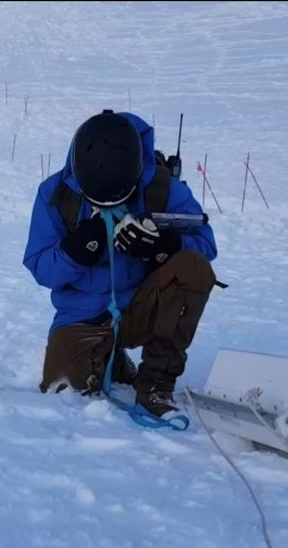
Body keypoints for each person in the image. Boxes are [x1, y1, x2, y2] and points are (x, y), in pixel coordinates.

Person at [22, 109, 218, 420]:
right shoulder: (56, 194)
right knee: (64, 389)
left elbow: (206, 245)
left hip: (141, 309)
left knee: (193, 269)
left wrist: (161, 248)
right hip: (81, 316)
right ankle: (109, 356)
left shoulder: (162, 187)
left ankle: (156, 383)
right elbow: (39, 266)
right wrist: (78, 249)